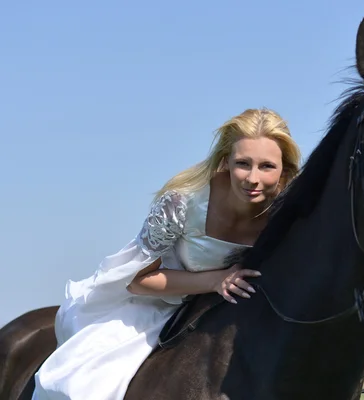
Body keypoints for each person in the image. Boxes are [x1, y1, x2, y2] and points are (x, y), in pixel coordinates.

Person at [31, 108, 302, 400]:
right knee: (84, 386)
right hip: (158, 304)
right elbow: (138, 280)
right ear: (225, 161)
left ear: (284, 171)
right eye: (242, 164)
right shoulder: (182, 202)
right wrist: (215, 280)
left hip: (235, 311)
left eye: (266, 166)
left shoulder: (288, 213)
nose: (252, 178)